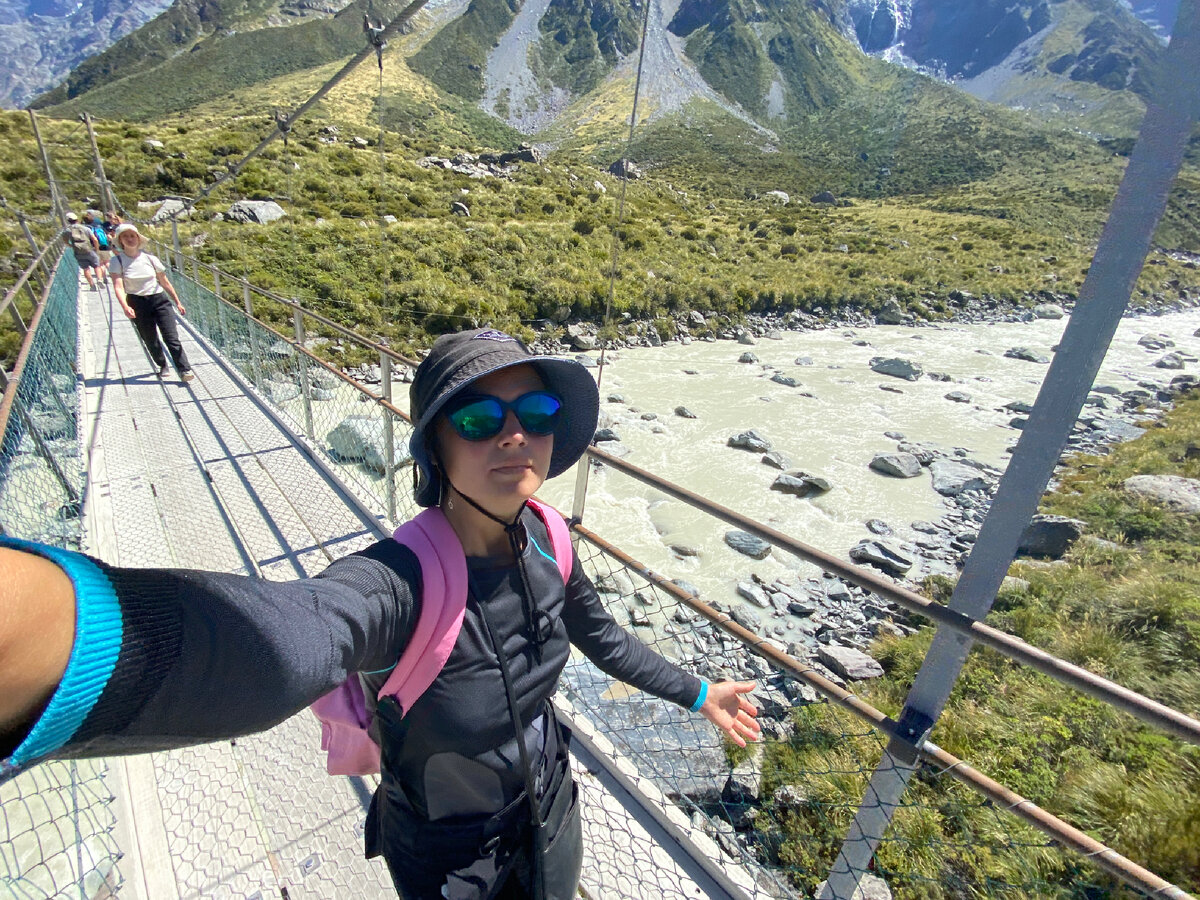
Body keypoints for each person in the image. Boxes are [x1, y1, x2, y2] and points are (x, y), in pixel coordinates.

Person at [0, 328, 760, 899]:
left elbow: (603, 639)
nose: (515, 434)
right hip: (447, 855)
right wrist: (66, 637)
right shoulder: (400, 583)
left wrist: (700, 693)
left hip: (551, 810)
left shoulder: (550, 539)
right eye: (478, 419)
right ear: (434, 448)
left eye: (536, 411)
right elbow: (291, 636)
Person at [108, 223, 194, 382]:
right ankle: (162, 365)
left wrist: (177, 301)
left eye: (132, 236)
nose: (130, 239)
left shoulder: (150, 259)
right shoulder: (117, 261)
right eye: (125, 236)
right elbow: (118, 286)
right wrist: (125, 306)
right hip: (136, 302)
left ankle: (184, 369)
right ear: (120, 240)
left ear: (138, 238)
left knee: (171, 337)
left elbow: (164, 282)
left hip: (159, 299)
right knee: (150, 339)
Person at [61, 211, 101, 289]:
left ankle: (92, 285)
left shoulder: (68, 231)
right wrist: (97, 249)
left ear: (68, 221)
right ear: (77, 219)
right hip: (89, 249)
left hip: (78, 252)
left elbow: (65, 240)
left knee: (86, 269)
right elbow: (95, 239)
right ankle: (99, 279)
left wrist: (70, 245)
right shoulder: (85, 228)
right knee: (97, 266)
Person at [85, 211, 111, 275]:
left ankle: (104, 277)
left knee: (100, 263)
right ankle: (111, 274)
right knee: (107, 262)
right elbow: (104, 229)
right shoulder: (98, 221)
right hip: (103, 243)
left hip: (94, 245)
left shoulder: (86, 226)